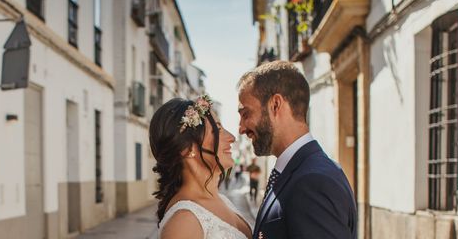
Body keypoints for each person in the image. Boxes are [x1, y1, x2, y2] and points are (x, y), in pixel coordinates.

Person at [237, 61, 357, 239]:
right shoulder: (297, 170)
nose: (241, 128)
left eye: (246, 114)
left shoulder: (313, 182)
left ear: (276, 105)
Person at [149, 95, 252, 239]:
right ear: (187, 149)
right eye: (217, 130)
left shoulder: (222, 200)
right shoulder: (183, 224)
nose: (231, 137)